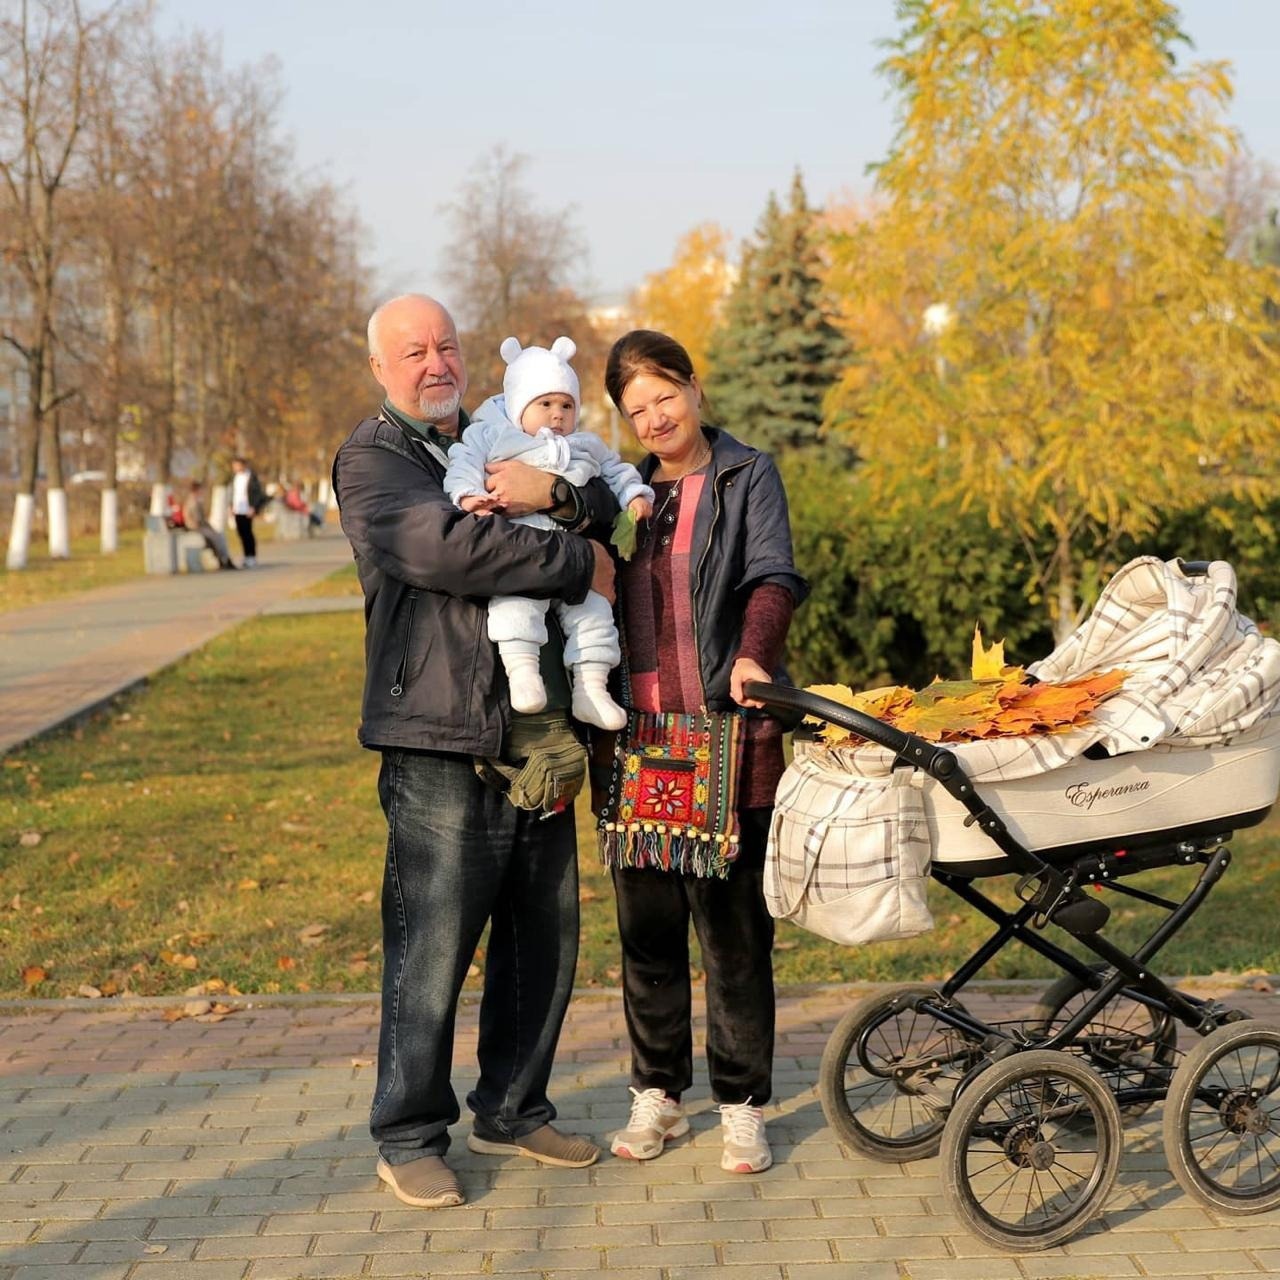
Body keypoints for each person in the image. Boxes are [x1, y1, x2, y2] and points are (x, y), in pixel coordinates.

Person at [332, 293, 618, 1210]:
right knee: (432, 948)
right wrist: (574, 560)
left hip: (531, 732)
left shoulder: (508, 427)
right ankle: (409, 1133)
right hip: (437, 736)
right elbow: (444, 547)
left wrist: (562, 495)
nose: (434, 363)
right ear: (382, 368)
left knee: (545, 936)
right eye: (412, 351)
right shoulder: (374, 458)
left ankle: (513, 1106)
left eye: (446, 346)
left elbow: (605, 499)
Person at [597, 329, 807, 1175]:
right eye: (634, 408)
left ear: (692, 386)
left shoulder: (746, 474)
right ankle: (658, 1094)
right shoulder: (617, 492)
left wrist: (755, 651)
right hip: (638, 742)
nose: (653, 418)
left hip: (726, 737)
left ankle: (742, 1103)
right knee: (646, 933)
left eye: (663, 396)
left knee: (732, 936)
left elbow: (772, 576)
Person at [444, 335, 653, 730]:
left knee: (594, 615)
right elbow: (463, 462)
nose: (557, 415)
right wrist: (468, 494)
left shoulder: (585, 444)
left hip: (573, 552)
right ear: (520, 404)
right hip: (523, 550)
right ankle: (523, 676)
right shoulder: (494, 436)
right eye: (545, 404)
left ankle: (590, 690)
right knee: (515, 606)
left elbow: (617, 471)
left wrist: (635, 495)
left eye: (566, 405)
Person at [181, 480, 236, 570]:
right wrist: (200, 525)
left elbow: (202, 518)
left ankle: (224, 559)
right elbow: (190, 518)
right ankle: (223, 559)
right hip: (195, 527)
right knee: (215, 537)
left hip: (202, 526)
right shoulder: (191, 502)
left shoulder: (197, 501)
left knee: (218, 536)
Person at [229, 456, 266, 566]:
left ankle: (252, 556)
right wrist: (230, 506)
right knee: (240, 533)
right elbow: (232, 493)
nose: (235, 468)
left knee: (248, 533)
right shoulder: (234, 478)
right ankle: (246, 556)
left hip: (247, 509)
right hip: (237, 509)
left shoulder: (251, 477)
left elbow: (257, 493)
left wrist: (253, 507)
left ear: (243, 465)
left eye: (237, 465)